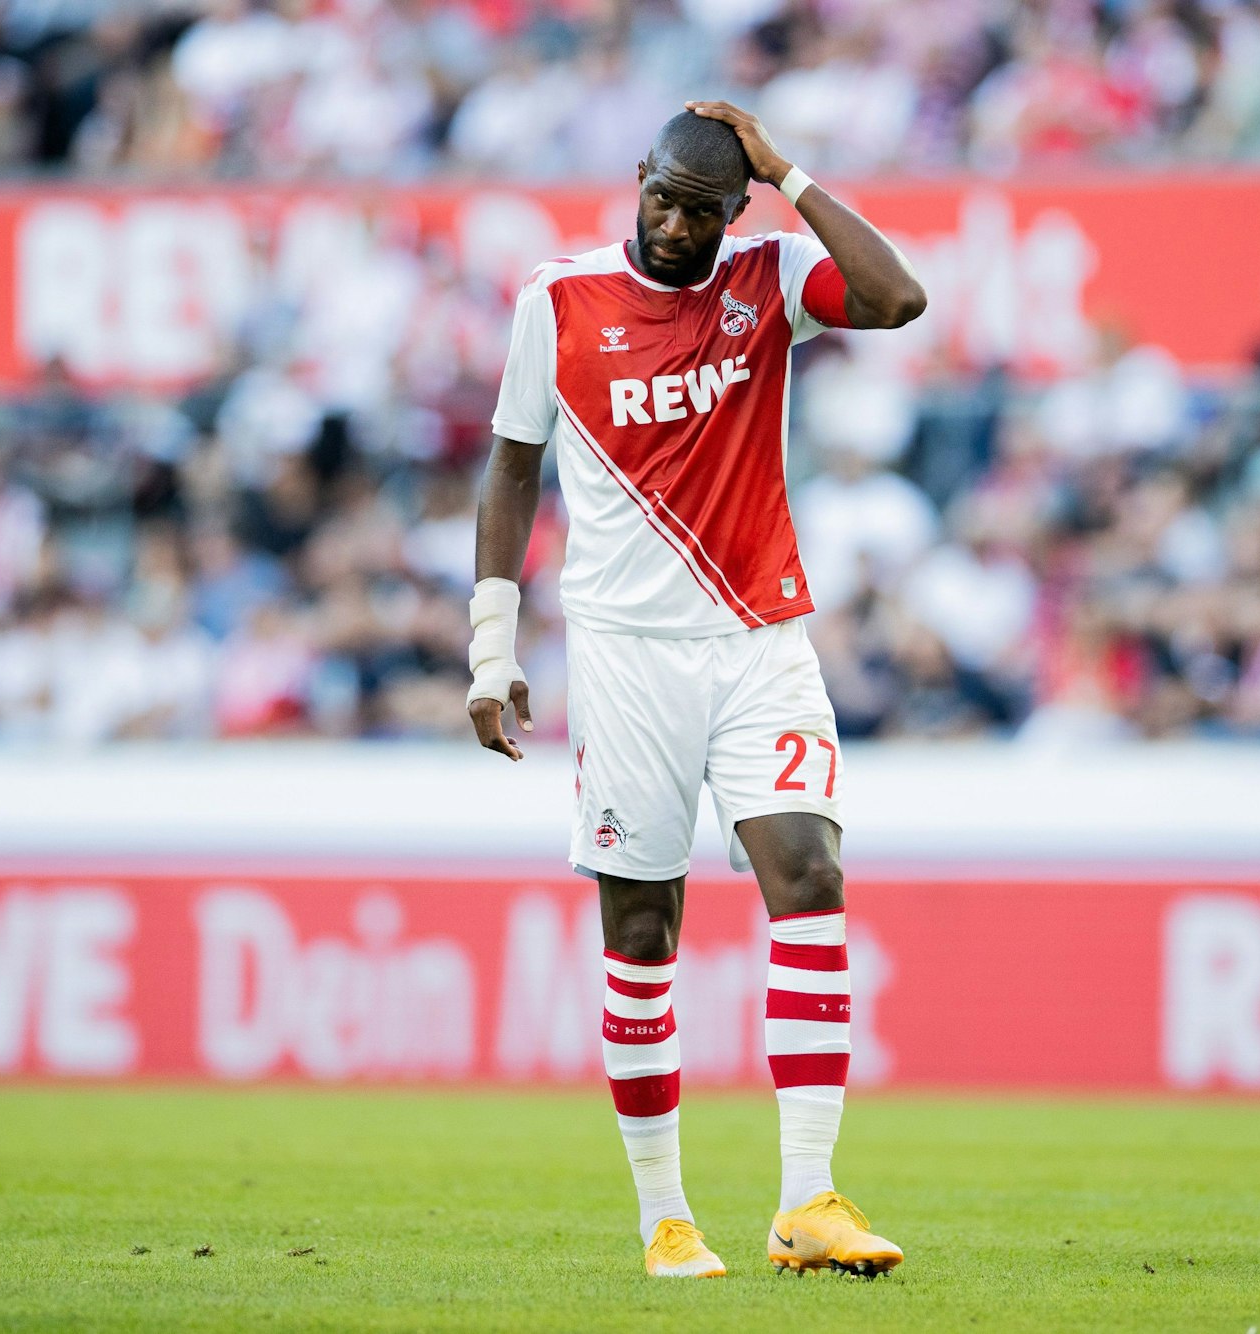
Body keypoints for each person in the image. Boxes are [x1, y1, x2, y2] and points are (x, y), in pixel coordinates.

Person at [466, 103, 926, 1279]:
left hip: (761, 636)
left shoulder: (769, 277)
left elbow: (896, 298)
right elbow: (512, 464)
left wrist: (791, 173)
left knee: (809, 872)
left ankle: (808, 1198)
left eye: (704, 210)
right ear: (638, 178)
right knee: (642, 928)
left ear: (737, 209)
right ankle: (665, 1215)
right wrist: (492, 642)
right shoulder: (559, 300)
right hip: (628, 657)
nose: (675, 226)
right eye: (662, 199)